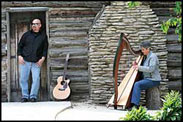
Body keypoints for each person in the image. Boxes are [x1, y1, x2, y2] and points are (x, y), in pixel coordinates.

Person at [17, 18, 48, 102]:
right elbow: (20, 46)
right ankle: (25, 96)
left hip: (36, 62)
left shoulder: (43, 36)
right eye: (33, 24)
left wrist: (42, 58)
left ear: (40, 25)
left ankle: (33, 96)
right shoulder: (26, 35)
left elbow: (45, 49)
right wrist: (19, 56)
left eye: (36, 24)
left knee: (36, 79)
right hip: (25, 61)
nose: (34, 25)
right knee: (23, 79)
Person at [130, 41, 161, 109]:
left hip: (153, 80)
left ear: (148, 49)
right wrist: (136, 64)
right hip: (147, 79)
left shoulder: (153, 57)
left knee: (137, 84)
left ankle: (135, 105)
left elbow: (151, 69)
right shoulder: (145, 57)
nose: (142, 51)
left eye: (143, 49)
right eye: (142, 49)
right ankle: (130, 104)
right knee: (132, 84)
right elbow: (143, 68)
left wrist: (138, 67)